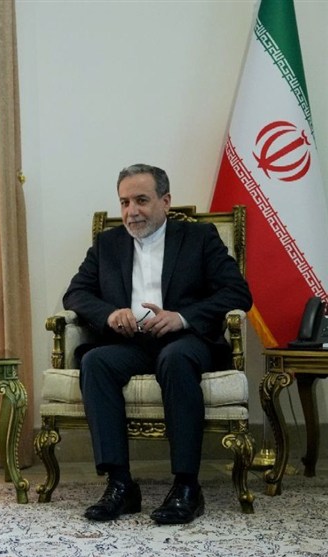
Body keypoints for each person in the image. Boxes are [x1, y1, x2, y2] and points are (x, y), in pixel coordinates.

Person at [62, 163, 252, 525]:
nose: (131, 211)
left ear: (165, 201)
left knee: (175, 358)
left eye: (141, 200)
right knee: (95, 362)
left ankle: (186, 486)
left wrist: (182, 317)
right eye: (124, 202)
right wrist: (110, 314)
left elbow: (238, 292)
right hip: (131, 342)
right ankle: (120, 485)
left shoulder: (199, 237)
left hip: (185, 340)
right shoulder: (107, 244)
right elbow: (76, 293)